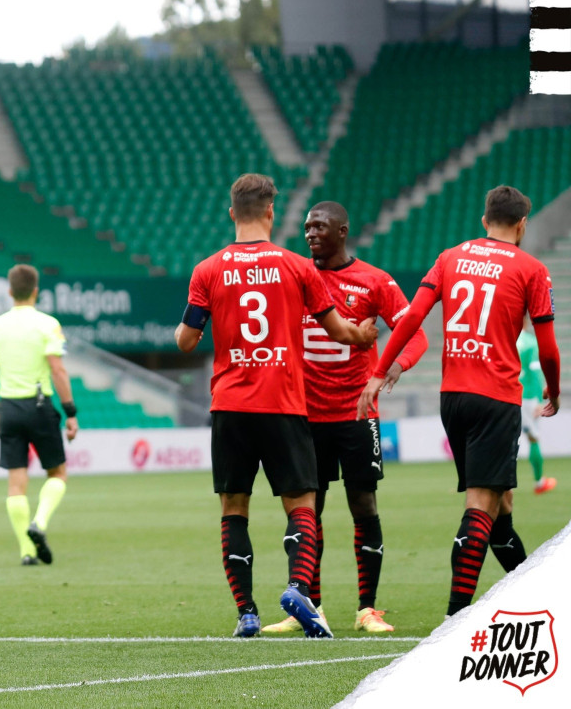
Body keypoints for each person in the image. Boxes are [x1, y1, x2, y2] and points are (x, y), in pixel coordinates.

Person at [175, 173, 376, 639]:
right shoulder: (296, 267)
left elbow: (185, 342)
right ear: (271, 212)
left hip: (230, 405)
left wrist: (198, 322)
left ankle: (246, 612)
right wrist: (363, 335)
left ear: (232, 214)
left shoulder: (208, 269)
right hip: (283, 403)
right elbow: (340, 331)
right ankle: (298, 588)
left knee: (233, 508)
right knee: (301, 504)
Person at [359, 185, 560, 617]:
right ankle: (454, 619)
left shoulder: (451, 257)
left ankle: (534, 597)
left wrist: (379, 373)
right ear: (522, 225)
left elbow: (413, 315)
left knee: (501, 507)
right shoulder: (532, 269)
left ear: (484, 220)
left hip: (453, 398)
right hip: (496, 398)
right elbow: (548, 350)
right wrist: (555, 390)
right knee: (481, 506)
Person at [261, 202, 427, 636]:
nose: (310, 232)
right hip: (304, 416)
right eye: (307, 226)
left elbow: (416, 334)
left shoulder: (374, 281)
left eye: (319, 226)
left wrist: (395, 365)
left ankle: (367, 608)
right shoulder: (295, 275)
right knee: (307, 512)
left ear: (343, 230)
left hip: (356, 413)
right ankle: (307, 607)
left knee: (364, 506)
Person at [0, 264, 77, 566]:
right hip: (38, 405)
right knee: (57, 473)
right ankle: (40, 523)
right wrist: (70, 411)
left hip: (8, 408)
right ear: (36, 291)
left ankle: (26, 551)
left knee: (15, 484)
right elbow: (57, 369)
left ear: (9, 292)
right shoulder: (48, 324)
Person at [518, 319, 557, 494]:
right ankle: (540, 482)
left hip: (505, 394)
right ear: (525, 321)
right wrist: (538, 400)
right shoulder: (529, 342)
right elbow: (534, 372)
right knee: (533, 437)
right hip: (526, 396)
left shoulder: (503, 339)